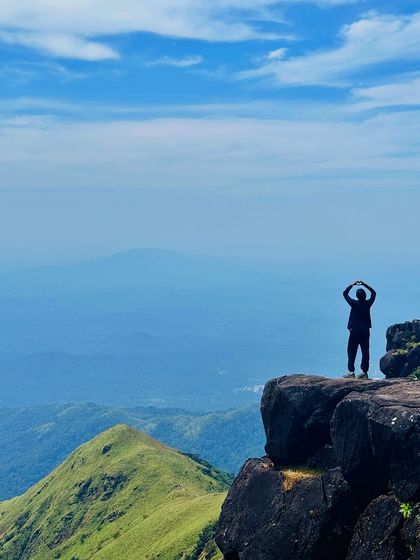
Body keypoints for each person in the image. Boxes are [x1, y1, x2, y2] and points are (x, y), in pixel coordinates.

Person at [342, 280, 376, 379]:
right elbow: (374, 293)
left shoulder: (353, 303)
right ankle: (364, 372)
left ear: (357, 296)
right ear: (365, 296)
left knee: (351, 350)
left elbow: (345, 293)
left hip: (355, 331)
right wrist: (365, 284)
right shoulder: (368, 304)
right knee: (365, 351)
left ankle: (351, 372)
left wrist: (352, 285)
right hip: (365, 331)